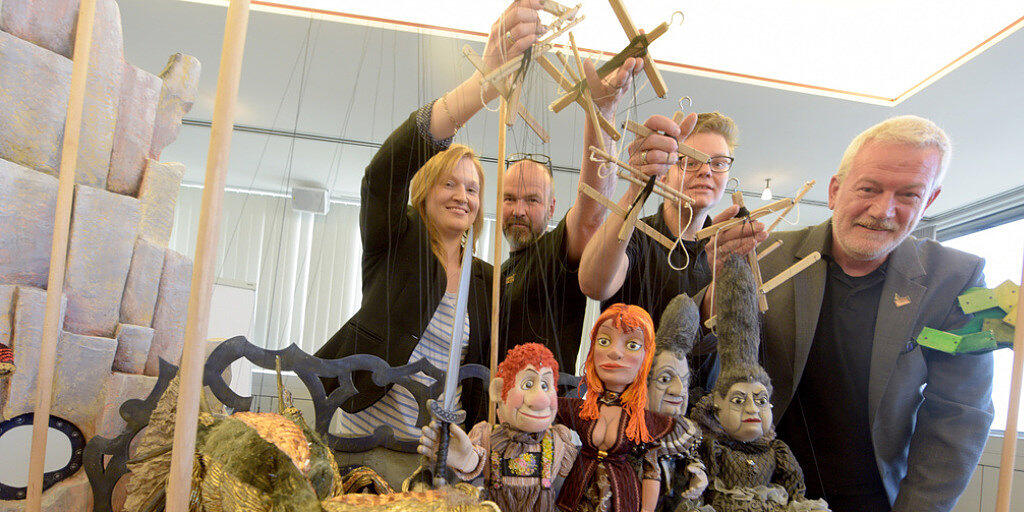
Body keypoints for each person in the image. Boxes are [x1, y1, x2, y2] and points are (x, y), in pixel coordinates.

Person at [708, 115, 994, 512]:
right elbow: (710, 367)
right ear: (835, 190)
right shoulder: (761, 256)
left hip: (876, 500)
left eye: (908, 195)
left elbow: (959, 416)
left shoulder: (955, 279)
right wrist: (714, 288)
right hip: (758, 491)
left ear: (929, 200)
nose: (883, 210)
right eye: (869, 188)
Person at [314, 0, 546, 440]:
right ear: (424, 193)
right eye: (449, 185)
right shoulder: (396, 238)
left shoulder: (485, 279)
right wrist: (481, 87)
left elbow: (476, 372)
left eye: (473, 189)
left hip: (431, 451)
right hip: (360, 436)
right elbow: (381, 178)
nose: (462, 196)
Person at [579, 111, 762, 392]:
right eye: (691, 161)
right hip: (624, 410)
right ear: (665, 174)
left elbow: (722, 336)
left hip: (695, 418)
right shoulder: (636, 234)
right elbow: (593, 283)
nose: (706, 171)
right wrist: (636, 189)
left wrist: (723, 277)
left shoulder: (725, 246)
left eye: (718, 163)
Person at [499, 57, 644, 372]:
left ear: (551, 207)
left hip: (541, 414)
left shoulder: (556, 250)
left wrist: (601, 113)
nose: (519, 210)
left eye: (532, 200)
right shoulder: (500, 272)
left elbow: (591, 211)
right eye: (509, 199)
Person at [689, 256, 830, 512]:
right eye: (738, 400)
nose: (753, 410)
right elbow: (697, 488)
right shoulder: (714, 449)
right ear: (716, 407)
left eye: (762, 400)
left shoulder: (778, 452)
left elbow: (794, 488)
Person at [417, 343, 578, 512]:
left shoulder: (558, 441)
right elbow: (477, 459)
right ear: (499, 391)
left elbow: (569, 480)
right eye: (527, 385)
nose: (542, 399)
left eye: (545, 386)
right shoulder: (487, 435)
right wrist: (465, 459)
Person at [555, 304, 675, 512]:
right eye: (604, 341)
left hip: (622, 498)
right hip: (576, 495)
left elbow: (651, 471)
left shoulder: (642, 421)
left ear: (647, 356)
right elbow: (548, 409)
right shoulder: (584, 409)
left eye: (632, 345)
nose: (614, 352)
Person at [646, 294, 710, 512]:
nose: (678, 391)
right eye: (665, 379)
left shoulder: (686, 432)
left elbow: (691, 459)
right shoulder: (630, 430)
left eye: (684, 381)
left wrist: (697, 474)